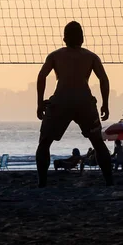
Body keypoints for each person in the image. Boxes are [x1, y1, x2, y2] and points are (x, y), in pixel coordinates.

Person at [36, 21, 113, 187]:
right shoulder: (91, 57)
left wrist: (39, 103)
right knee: (98, 143)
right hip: (84, 102)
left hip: (61, 102)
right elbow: (103, 80)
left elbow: (41, 77)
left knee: (44, 143)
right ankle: (110, 182)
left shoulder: (55, 56)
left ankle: (42, 183)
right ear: (83, 39)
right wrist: (105, 104)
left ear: (64, 39)